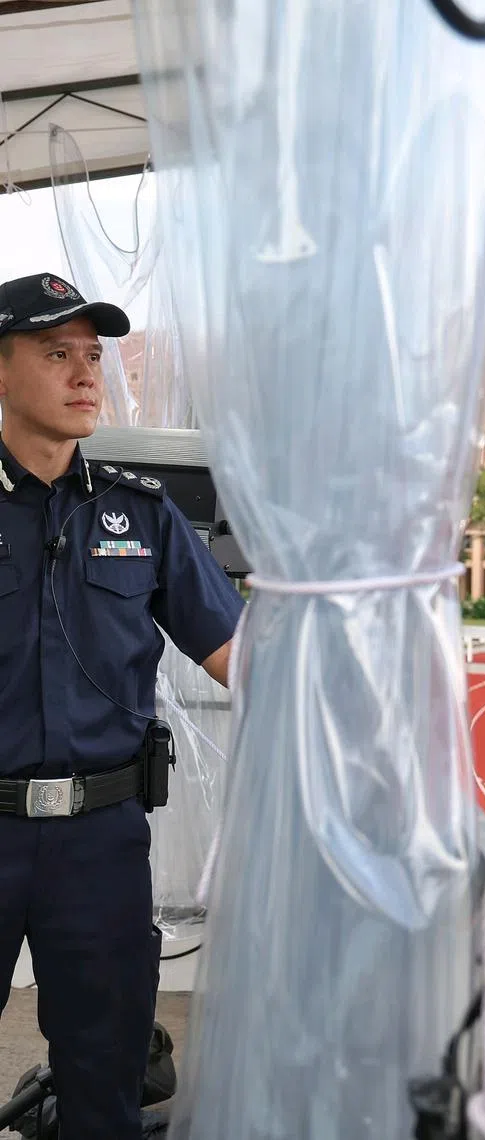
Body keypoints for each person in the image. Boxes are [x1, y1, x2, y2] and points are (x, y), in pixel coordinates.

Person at [0, 272, 245, 1139]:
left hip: (99, 848)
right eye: (55, 353)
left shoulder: (140, 515)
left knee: (105, 1086)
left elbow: (238, 657)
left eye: (92, 356)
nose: (83, 374)